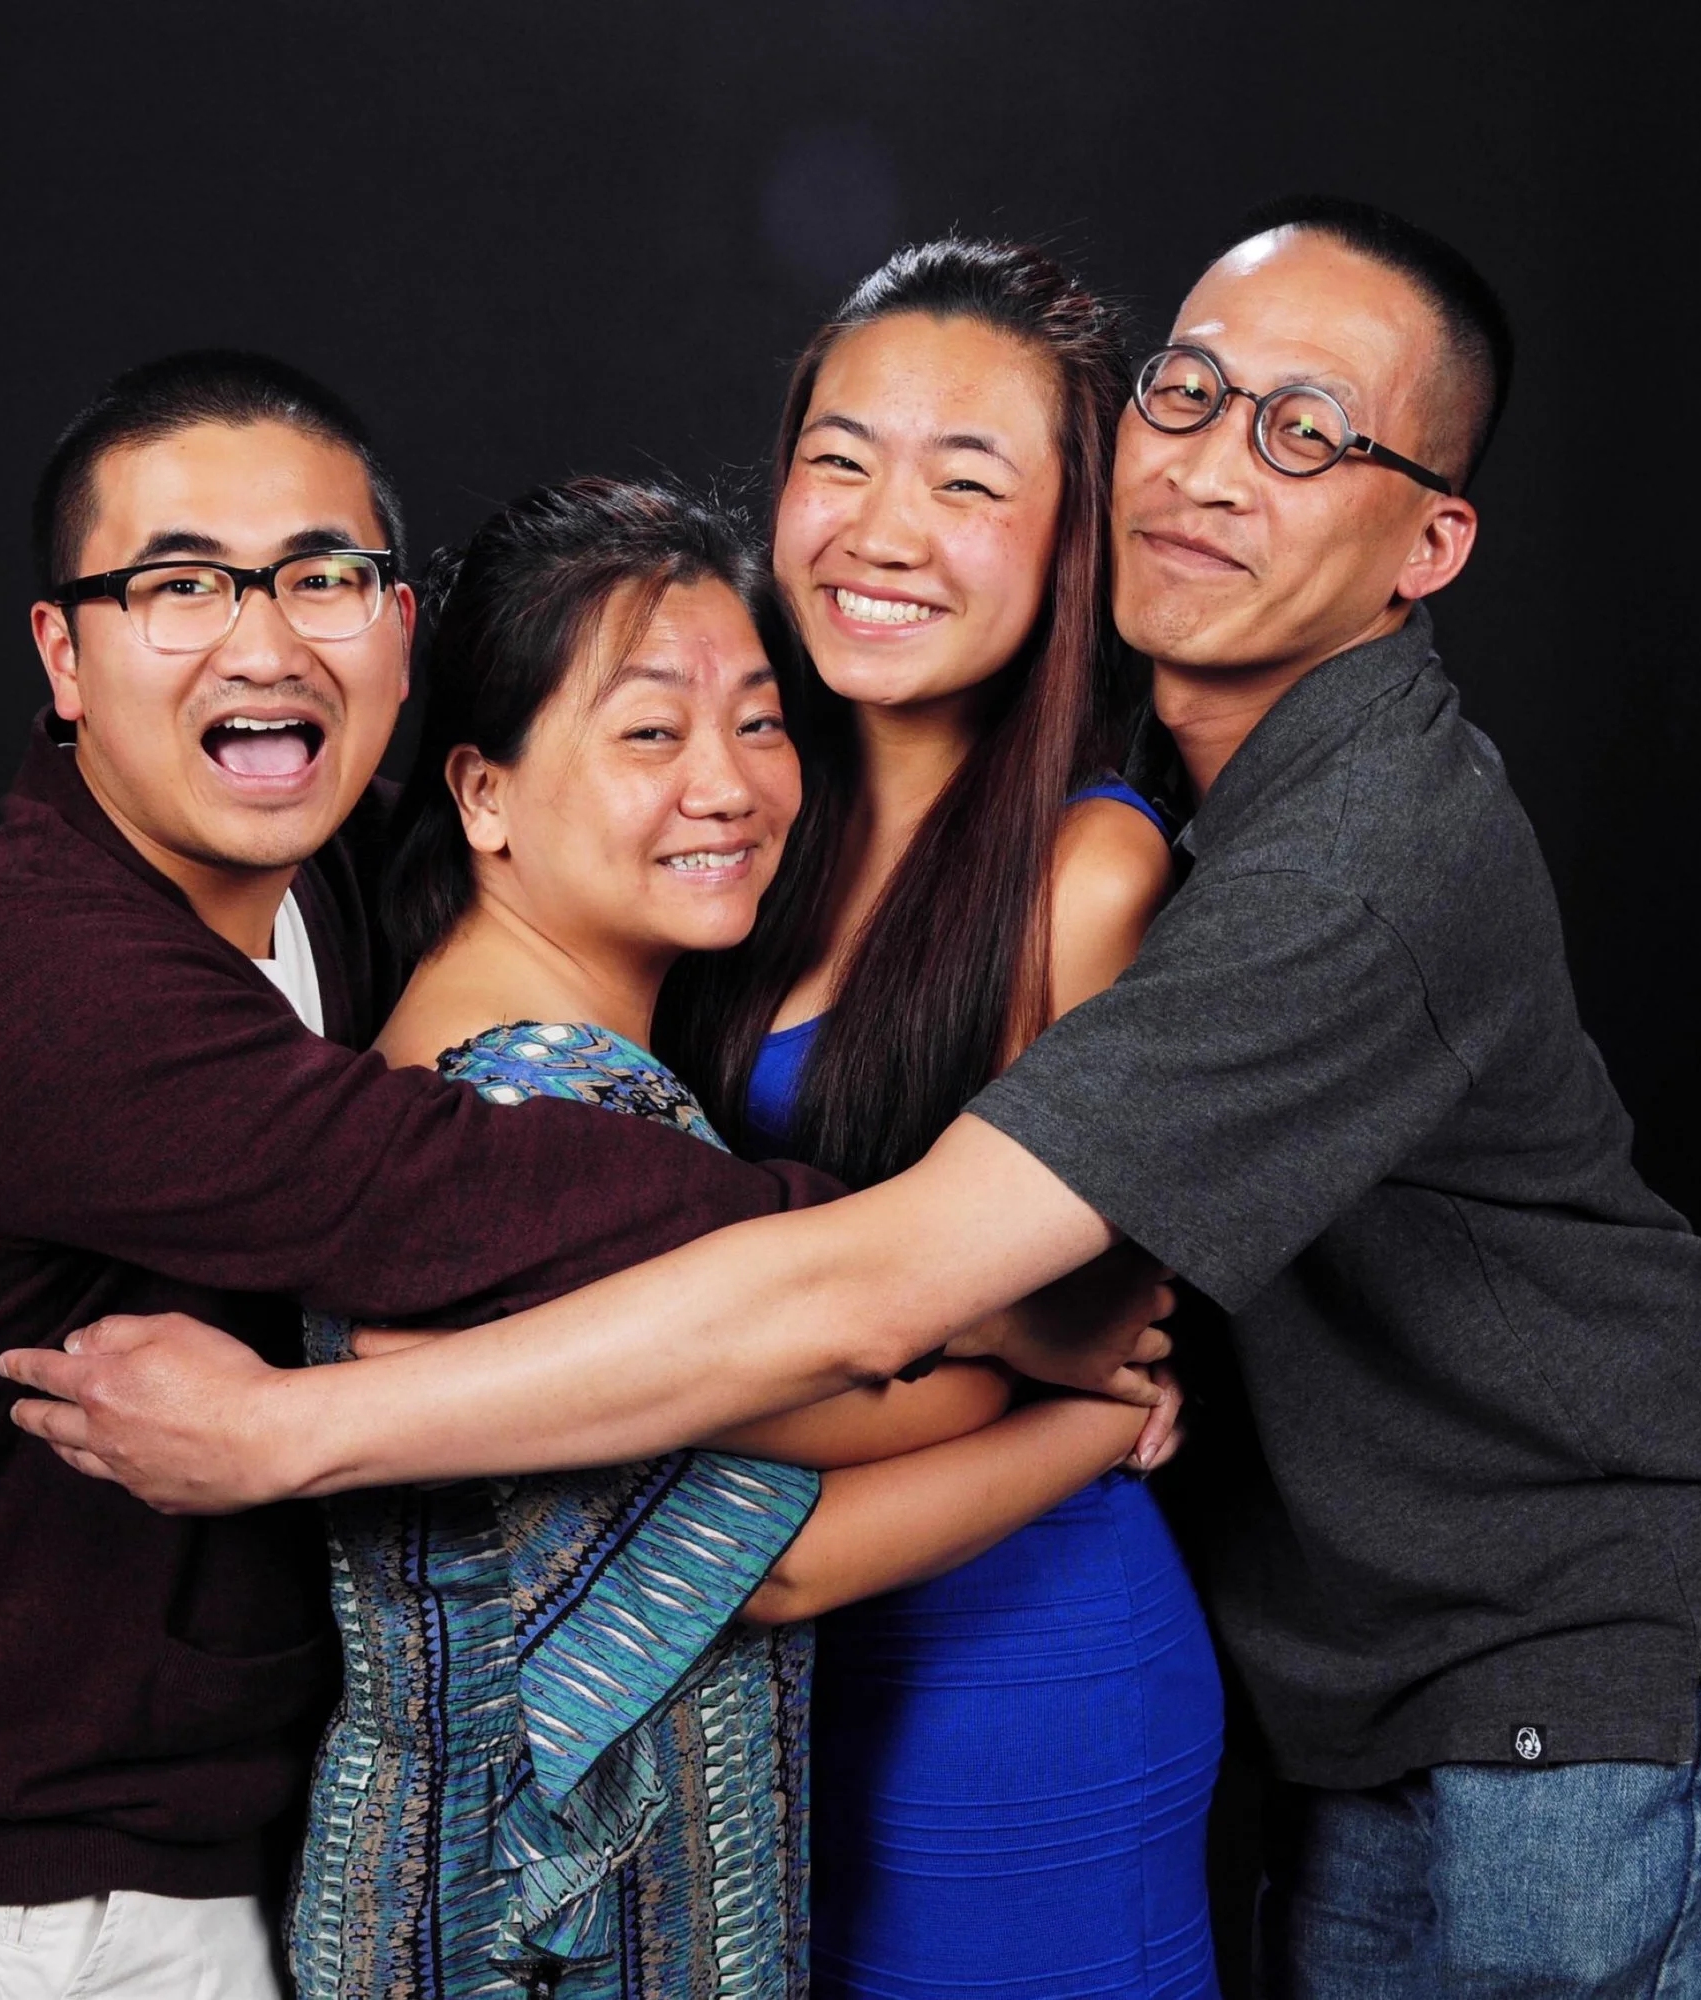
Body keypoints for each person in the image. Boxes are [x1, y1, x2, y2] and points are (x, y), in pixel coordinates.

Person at [8, 199, 1701, 1996]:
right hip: (1281, 1670)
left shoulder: (1307, 866)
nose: (1213, 468)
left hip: (1580, 1656)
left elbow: (899, 1291)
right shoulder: (759, 811)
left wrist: (297, 1433)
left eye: (1308, 434)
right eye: (1189, 395)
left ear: (1427, 544)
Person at [0, 351, 1163, 2000]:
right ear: (64, 652)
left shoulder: (318, 883)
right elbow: (459, 1199)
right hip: (44, 1886)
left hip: (231, 1826)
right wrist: (983, 1300)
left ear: (395, 628)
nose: (264, 642)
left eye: (320, 578)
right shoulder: (41, 979)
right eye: (181, 585)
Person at [289, 474, 1180, 2000]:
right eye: (651, 732)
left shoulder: (534, 1071)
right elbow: (777, 1547)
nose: (730, 784)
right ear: (483, 794)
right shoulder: (531, 1108)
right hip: (532, 1943)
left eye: (761, 722)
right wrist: (1093, 1399)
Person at [658, 239, 1220, 1998]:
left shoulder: (1087, 873)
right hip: (735, 1669)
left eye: (966, 482)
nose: (880, 531)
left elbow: (1057, 1324)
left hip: (1010, 1672)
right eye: (840, 460)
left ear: (1072, 542)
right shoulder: (732, 808)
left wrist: (1039, 1354)